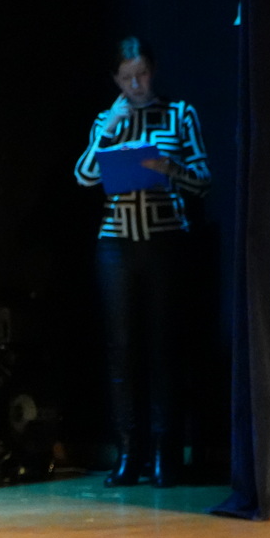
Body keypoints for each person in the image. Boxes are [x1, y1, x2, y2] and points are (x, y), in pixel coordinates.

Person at [74, 37, 210, 487]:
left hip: (164, 241)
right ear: (115, 79)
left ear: (154, 71)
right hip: (116, 244)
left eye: (142, 74)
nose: (136, 84)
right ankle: (129, 452)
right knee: (122, 349)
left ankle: (165, 453)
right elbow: (85, 175)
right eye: (127, 77)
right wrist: (110, 127)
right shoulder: (107, 119)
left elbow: (203, 180)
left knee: (164, 346)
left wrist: (168, 168)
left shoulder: (179, 114)